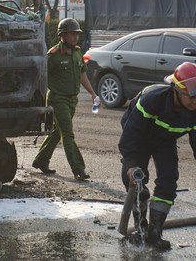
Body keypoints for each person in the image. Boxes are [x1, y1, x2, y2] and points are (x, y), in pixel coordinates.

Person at [118, 62, 196, 250]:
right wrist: (130, 166)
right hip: (139, 137)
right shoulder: (153, 100)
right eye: (191, 96)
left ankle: (154, 232)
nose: (195, 101)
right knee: (136, 180)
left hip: (165, 140)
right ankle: (140, 230)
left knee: (169, 180)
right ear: (176, 89)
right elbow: (129, 138)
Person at [32, 18, 99, 180]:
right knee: (68, 134)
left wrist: (93, 93)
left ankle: (41, 161)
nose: (75, 37)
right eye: (71, 34)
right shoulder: (53, 55)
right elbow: (41, 76)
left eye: (77, 34)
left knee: (57, 133)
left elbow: (82, 74)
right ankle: (79, 169)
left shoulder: (77, 53)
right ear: (62, 35)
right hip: (57, 99)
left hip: (72, 100)